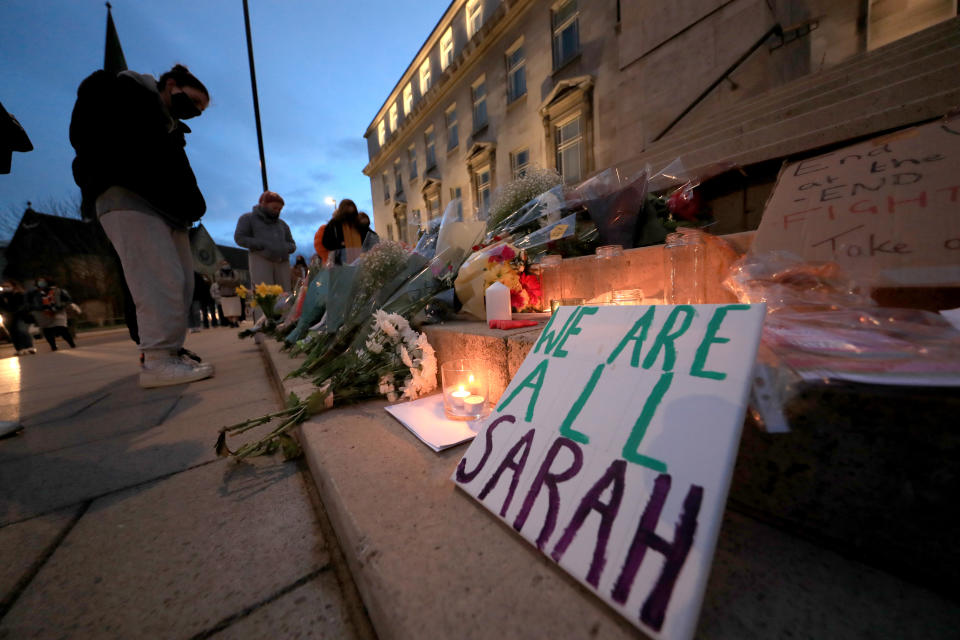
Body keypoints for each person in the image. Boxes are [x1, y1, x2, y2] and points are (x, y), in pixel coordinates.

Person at [69, 63, 214, 387]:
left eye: (201, 110)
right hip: (128, 195)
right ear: (172, 84)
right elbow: (93, 136)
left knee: (179, 282)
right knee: (156, 277)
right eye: (194, 101)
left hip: (167, 207)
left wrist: (192, 204)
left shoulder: (171, 125)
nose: (196, 112)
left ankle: (172, 351)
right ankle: (157, 359)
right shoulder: (120, 90)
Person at [234, 191, 295, 290]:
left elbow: (292, 243)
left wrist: (285, 248)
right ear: (263, 204)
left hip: (282, 262)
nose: (277, 211)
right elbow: (239, 237)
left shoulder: (282, 224)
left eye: (280, 209)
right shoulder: (248, 218)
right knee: (265, 295)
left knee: (285, 295)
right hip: (260, 261)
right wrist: (262, 245)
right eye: (274, 208)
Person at [28, 277, 76, 351]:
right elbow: (31, 304)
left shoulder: (58, 291)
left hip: (58, 312)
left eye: (43, 281)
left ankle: (72, 344)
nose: (41, 283)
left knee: (62, 329)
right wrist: (38, 308)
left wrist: (61, 306)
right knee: (47, 330)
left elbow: (68, 300)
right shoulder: (35, 294)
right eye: (39, 282)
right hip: (44, 314)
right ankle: (53, 346)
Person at [321, 199, 371, 265]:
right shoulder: (334, 224)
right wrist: (340, 244)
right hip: (341, 263)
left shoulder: (357, 222)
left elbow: (368, 237)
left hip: (359, 261)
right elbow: (326, 242)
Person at [0, 279, 36, 355]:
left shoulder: (20, 294)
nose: (5, 288)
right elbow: (2, 307)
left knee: (22, 330)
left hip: (21, 316)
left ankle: (29, 347)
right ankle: (20, 349)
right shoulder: (4, 296)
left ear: (13, 286)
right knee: (13, 333)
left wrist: (13, 311)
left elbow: (22, 305)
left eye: (7, 286)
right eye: (4, 286)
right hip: (9, 318)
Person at [215, 261, 242, 328]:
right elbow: (219, 281)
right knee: (227, 311)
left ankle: (235, 321)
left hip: (234, 294)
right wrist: (230, 281)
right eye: (224, 264)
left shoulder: (234, 272)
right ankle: (231, 322)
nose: (225, 265)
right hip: (224, 294)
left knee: (236, 310)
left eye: (226, 264)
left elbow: (237, 281)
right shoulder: (218, 273)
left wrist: (225, 281)